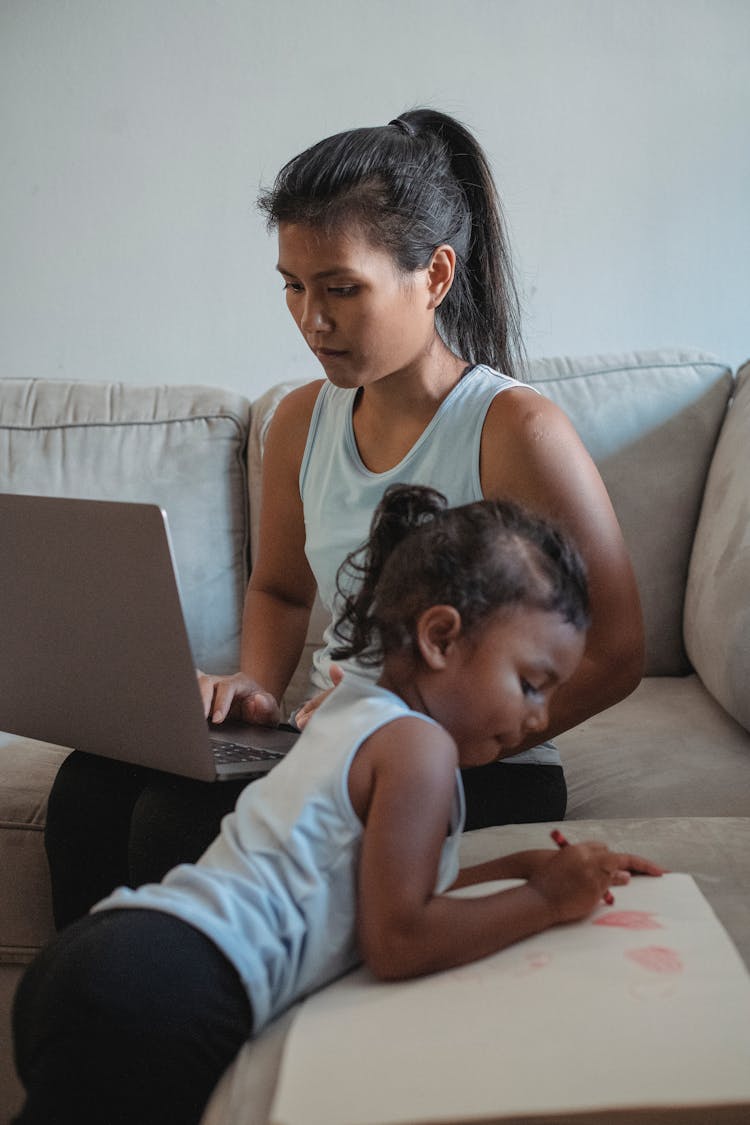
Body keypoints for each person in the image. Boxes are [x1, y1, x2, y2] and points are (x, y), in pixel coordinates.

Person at [44, 107, 643, 930]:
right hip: (332, 738)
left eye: (341, 289)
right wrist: (254, 683)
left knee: (176, 825)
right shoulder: (301, 422)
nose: (311, 319)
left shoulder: (516, 431)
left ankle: (199, 1041)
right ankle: (96, 1031)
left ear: (434, 276)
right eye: (293, 285)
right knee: (89, 782)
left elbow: (618, 649)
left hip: (473, 757)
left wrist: (447, 734)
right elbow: (283, 589)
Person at [13, 485, 663, 1125]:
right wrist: (548, 901)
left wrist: (525, 867)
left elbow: (373, 891)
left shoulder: (352, 716)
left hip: (114, 949)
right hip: (171, 991)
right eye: (530, 683)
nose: (540, 716)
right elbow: (399, 938)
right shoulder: (421, 748)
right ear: (441, 636)